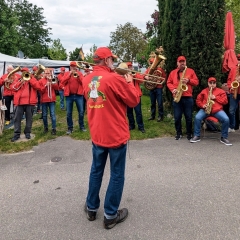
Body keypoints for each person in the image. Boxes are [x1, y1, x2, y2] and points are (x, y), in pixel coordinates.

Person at [82, 47, 139, 229]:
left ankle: (91, 208)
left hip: (97, 133)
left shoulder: (86, 78)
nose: (113, 62)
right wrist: (129, 82)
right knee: (116, 174)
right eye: (112, 60)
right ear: (106, 60)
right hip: (115, 134)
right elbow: (133, 101)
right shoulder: (115, 78)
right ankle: (110, 215)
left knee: (96, 170)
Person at [190, 77, 232, 146]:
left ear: (216, 83)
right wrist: (203, 105)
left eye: (214, 83)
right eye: (210, 83)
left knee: (226, 119)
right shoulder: (204, 91)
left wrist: (216, 98)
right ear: (208, 83)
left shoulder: (221, 91)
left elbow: (225, 101)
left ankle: (224, 137)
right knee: (197, 117)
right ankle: (197, 136)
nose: (212, 84)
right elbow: (198, 100)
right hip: (205, 110)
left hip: (217, 110)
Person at [167, 55, 199, 140]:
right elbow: (168, 82)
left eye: (183, 61)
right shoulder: (173, 72)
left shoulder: (191, 71)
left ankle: (189, 133)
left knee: (188, 117)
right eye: (180, 62)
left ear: (185, 62)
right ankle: (178, 133)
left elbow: (196, 82)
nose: (182, 63)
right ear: (177, 63)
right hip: (177, 97)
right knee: (177, 117)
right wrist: (173, 89)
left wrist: (189, 80)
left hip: (188, 97)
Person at [10, 67, 41, 142]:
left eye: (25, 72)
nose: (24, 73)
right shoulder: (18, 79)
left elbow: (38, 86)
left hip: (30, 103)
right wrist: (21, 82)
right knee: (17, 119)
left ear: (28, 73)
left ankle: (27, 133)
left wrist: (30, 79)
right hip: (19, 103)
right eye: (22, 72)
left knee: (29, 119)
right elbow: (12, 87)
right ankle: (16, 134)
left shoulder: (32, 79)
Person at [62, 61, 86, 134]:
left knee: (81, 112)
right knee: (69, 113)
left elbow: (83, 82)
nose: (73, 67)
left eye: (74, 66)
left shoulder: (80, 73)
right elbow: (63, 82)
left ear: (76, 67)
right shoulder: (66, 74)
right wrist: (69, 74)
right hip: (69, 96)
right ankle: (70, 128)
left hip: (79, 95)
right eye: (71, 66)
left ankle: (81, 126)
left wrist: (78, 76)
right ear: (70, 67)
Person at [125, 61, 145, 133]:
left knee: (138, 112)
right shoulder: (124, 75)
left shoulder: (136, 73)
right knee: (129, 112)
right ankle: (131, 125)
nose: (130, 68)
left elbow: (142, 80)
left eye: (130, 67)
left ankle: (141, 126)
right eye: (128, 67)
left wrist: (135, 75)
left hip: (137, 95)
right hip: (128, 96)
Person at [38, 68, 59, 135]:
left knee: (52, 114)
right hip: (44, 100)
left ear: (50, 74)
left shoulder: (53, 79)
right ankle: (46, 127)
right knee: (44, 115)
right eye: (46, 73)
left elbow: (56, 88)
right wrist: (45, 86)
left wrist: (51, 82)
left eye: (48, 73)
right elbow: (40, 91)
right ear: (44, 74)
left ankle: (54, 128)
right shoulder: (41, 81)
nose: (47, 74)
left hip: (51, 100)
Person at [146, 57, 166, 122]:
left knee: (160, 103)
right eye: (151, 63)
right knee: (152, 103)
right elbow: (144, 76)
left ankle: (161, 116)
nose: (152, 65)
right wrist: (146, 77)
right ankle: (152, 115)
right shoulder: (148, 70)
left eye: (153, 63)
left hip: (158, 88)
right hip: (151, 88)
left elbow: (164, 78)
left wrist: (160, 80)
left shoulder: (160, 69)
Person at [227, 53, 240, 132]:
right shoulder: (233, 69)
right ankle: (232, 126)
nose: (239, 61)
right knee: (231, 111)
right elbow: (229, 80)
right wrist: (230, 87)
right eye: (238, 60)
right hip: (234, 92)